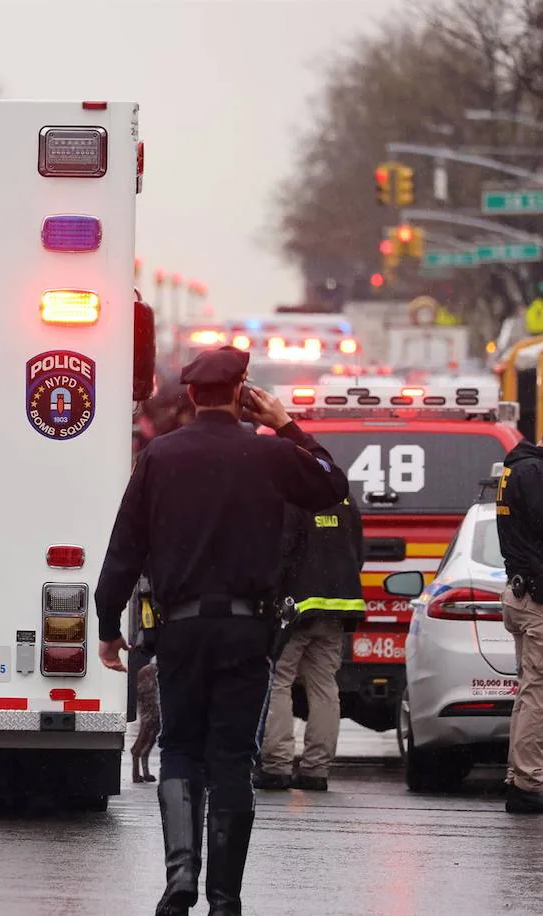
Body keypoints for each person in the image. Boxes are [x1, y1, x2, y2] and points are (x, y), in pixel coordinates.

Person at [94, 345, 349, 916]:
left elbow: (124, 549)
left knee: (180, 750)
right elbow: (333, 485)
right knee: (232, 757)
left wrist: (109, 626)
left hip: (180, 633)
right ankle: (225, 897)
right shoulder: (271, 455)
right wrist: (286, 425)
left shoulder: (159, 457)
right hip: (246, 631)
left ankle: (181, 873)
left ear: (189, 395)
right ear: (242, 393)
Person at [255, 498, 366, 792]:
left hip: (296, 609)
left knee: (278, 680)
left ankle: (276, 766)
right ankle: (316, 770)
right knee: (324, 685)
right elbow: (358, 552)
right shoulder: (344, 500)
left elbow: (280, 553)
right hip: (339, 608)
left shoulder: (292, 496)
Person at [495, 438, 543, 814]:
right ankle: (529, 782)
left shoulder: (519, 469)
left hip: (521, 593)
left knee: (529, 690)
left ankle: (520, 776)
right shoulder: (531, 472)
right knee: (537, 693)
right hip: (535, 598)